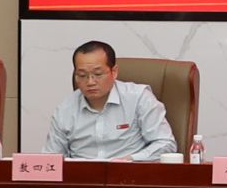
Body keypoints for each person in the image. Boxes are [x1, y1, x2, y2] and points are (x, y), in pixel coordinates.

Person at [41, 41, 177, 159]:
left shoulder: (138, 98)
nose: (90, 82)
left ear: (114, 72)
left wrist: (131, 160)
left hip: (130, 174)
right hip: (83, 177)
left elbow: (165, 144)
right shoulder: (66, 108)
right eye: (82, 75)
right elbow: (50, 158)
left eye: (98, 74)